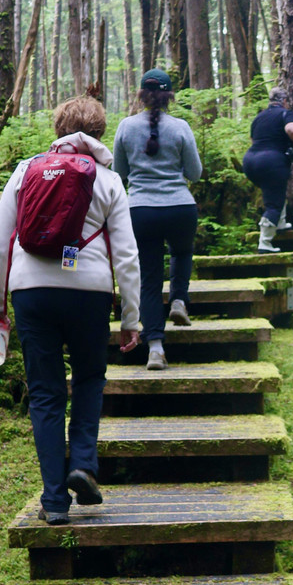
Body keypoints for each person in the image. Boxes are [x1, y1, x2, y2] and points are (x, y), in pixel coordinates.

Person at [0, 96, 142, 526]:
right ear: (100, 133)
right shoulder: (108, 180)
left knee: (47, 392)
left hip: (31, 293)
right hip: (88, 293)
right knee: (89, 377)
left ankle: (54, 500)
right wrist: (132, 317)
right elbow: (127, 256)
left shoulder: (25, 171)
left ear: (58, 130)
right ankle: (83, 464)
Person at [113, 68, 203, 371]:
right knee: (181, 252)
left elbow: (119, 176)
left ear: (141, 94)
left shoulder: (126, 127)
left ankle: (154, 348)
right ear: (169, 96)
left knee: (149, 281)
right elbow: (195, 173)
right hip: (180, 207)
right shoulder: (181, 127)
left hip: (140, 211)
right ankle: (179, 300)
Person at [242, 87, 293, 254]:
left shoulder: (259, 117)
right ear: (284, 101)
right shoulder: (285, 113)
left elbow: (253, 138)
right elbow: (292, 129)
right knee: (273, 203)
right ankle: (265, 243)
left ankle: (280, 223)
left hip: (250, 161)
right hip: (271, 161)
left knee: (276, 192)